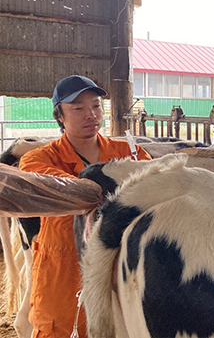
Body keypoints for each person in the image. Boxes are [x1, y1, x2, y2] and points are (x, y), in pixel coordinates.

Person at [18, 75, 151, 338]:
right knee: (58, 326)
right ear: (60, 116)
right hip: (63, 266)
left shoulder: (126, 152)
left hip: (121, 262)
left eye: (96, 105)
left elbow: (155, 181)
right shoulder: (39, 158)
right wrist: (117, 183)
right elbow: (56, 185)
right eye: (78, 108)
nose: (90, 114)